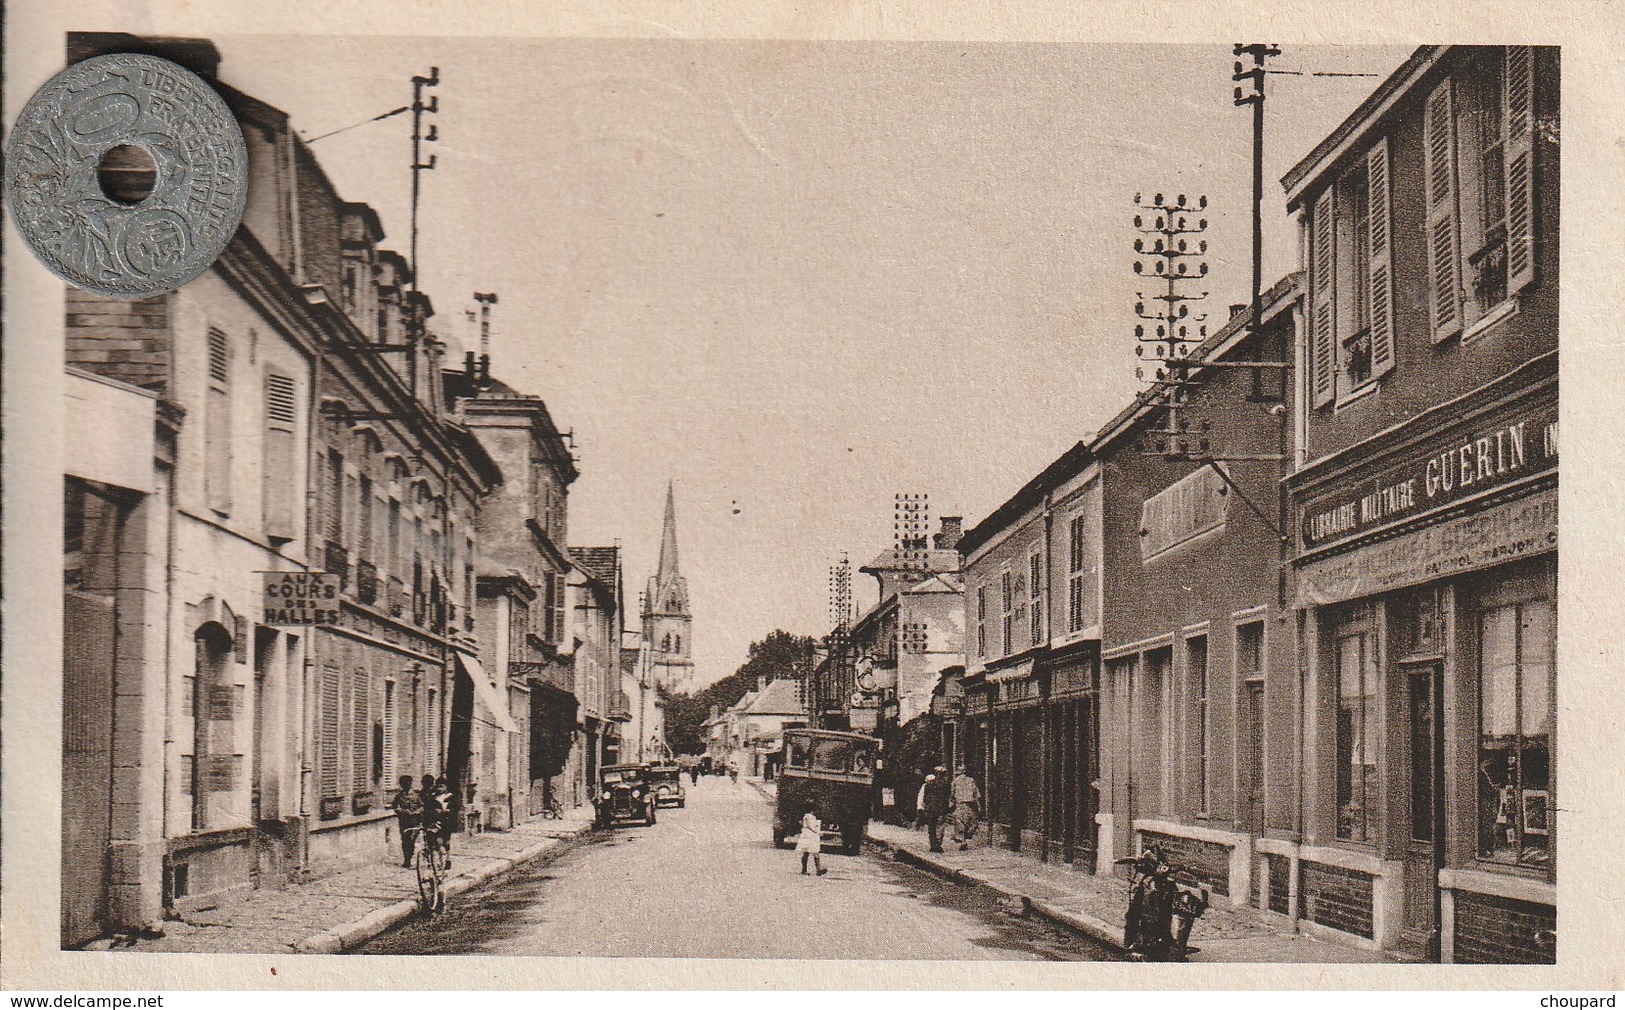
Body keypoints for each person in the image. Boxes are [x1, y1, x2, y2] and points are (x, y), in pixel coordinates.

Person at [389, 774, 423, 867]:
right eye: (403, 784)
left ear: (410, 784)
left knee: (411, 840)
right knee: (405, 840)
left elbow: (422, 807)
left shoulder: (416, 795)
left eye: (407, 783)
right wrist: (402, 811)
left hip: (415, 821)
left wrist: (416, 812)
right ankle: (406, 859)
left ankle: (409, 858)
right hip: (404, 821)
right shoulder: (399, 796)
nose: (406, 785)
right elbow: (394, 807)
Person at [950, 765, 982, 850]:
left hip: (960, 804)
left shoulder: (955, 781)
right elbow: (977, 794)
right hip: (970, 804)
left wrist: (952, 802)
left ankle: (962, 839)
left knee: (959, 822)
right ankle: (964, 838)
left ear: (959, 771)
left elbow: (952, 794)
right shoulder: (971, 780)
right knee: (971, 822)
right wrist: (978, 805)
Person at [921, 764, 951, 853]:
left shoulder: (929, 784)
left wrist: (925, 807)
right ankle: (938, 844)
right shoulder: (945, 785)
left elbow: (925, 798)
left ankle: (933, 845)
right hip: (941, 808)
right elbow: (947, 797)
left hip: (930, 808)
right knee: (940, 826)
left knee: (932, 827)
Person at [796, 804, 827, 876]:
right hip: (809, 836)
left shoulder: (811, 817)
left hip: (810, 835)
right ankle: (812, 869)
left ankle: (814, 869)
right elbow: (811, 826)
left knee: (811, 852)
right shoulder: (808, 816)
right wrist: (818, 832)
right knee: (809, 852)